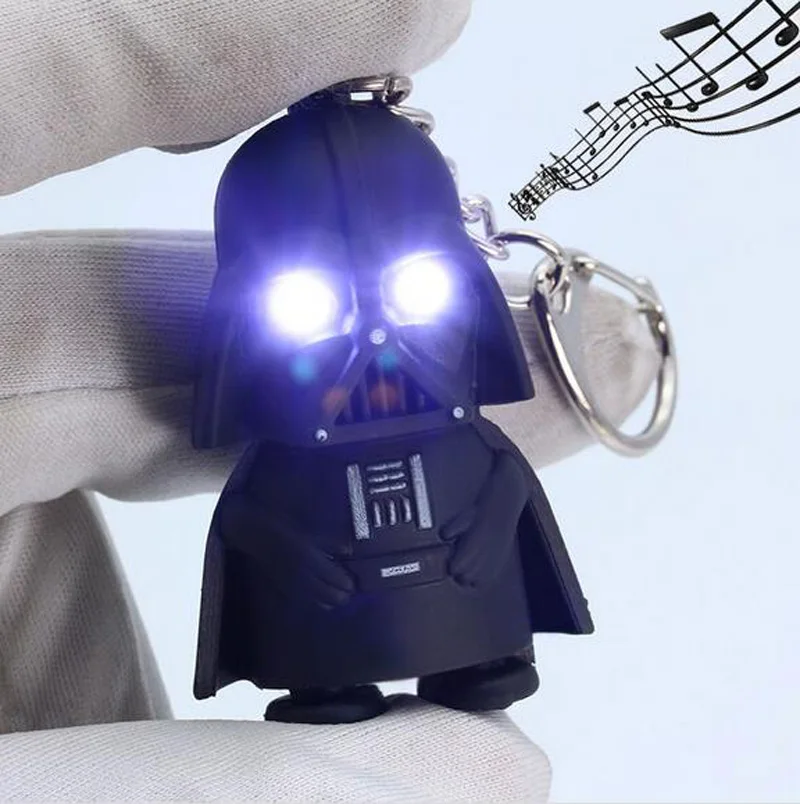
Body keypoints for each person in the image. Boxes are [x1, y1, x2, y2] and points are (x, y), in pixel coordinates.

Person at [0, 0, 658, 799]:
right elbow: (250, 518)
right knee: (326, 680)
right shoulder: (285, 449)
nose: (374, 331)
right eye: (315, 304)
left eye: (412, 292)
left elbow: (504, 484)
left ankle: (483, 659)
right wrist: (300, 560)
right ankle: (327, 685)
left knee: (480, 653)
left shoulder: (462, 427)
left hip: (468, 608)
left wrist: (487, 536)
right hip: (326, 627)